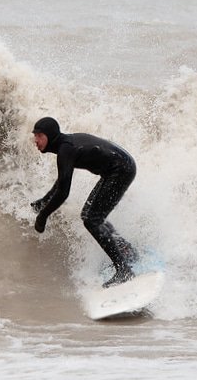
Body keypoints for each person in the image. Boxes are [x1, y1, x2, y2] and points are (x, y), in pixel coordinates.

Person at [30, 117, 139, 287]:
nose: (35, 141)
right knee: (91, 216)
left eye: (39, 136)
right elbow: (62, 181)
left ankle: (124, 270)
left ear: (50, 136)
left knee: (91, 219)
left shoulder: (66, 149)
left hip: (121, 169)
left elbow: (63, 193)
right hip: (118, 169)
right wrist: (44, 201)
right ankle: (128, 251)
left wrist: (42, 216)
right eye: (35, 136)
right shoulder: (65, 147)